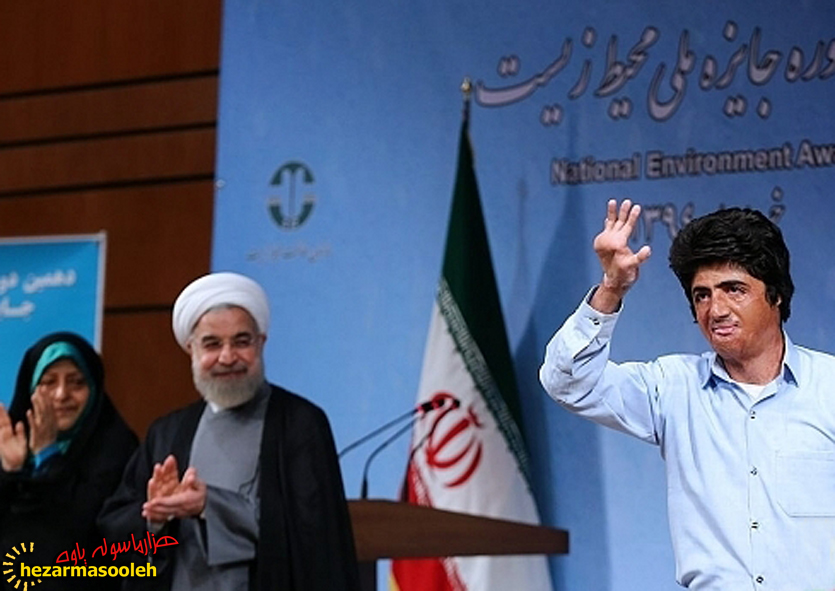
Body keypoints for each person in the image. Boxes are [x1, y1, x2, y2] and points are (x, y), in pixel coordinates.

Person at [539, 199, 835, 590]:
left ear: (776, 294)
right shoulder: (673, 387)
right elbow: (567, 381)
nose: (716, 309)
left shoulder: (829, 386)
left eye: (734, 290)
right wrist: (611, 289)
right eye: (702, 295)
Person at [98, 272, 360, 591]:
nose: (227, 357)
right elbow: (115, 529)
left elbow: (312, 534)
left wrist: (210, 505)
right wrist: (155, 519)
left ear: (261, 343)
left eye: (241, 341)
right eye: (212, 344)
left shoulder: (299, 423)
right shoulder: (167, 433)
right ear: (191, 350)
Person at [0, 332, 139, 590]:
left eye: (76, 383)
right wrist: (12, 473)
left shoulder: (117, 450)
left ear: (94, 389)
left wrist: (48, 456)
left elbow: (81, 534)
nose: (62, 394)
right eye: (48, 382)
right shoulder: (9, 445)